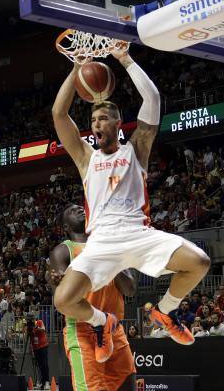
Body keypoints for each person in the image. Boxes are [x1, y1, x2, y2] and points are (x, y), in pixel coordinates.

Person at [52, 41, 210, 353]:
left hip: (138, 233)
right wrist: (75, 69)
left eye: (103, 118)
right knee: (63, 301)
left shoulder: (136, 149)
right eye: (94, 120)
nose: (97, 124)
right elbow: (59, 113)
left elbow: (151, 97)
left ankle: (163, 312)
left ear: (117, 122)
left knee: (199, 262)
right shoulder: (86, 158)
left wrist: (125, 59)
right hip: (102, 241)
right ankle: (104, 323)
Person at [49, 204, 145, 391]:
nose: (79, 208)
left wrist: (112, 257)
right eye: (71, 209)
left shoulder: (112, 244)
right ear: (66, 223)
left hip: (114, 329)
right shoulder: (64, 251)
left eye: (82, 206)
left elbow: (129, 288)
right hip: (83, 330)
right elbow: (65, 291)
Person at [27, 312, 51, 390]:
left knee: (44, 364)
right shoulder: (29, 326)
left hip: (43, 346)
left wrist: (37, 327)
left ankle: (47, 382)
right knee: (39, 365)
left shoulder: (39, 322)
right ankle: (41, 382)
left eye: (31, 319)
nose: (30, 320)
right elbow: (30, 338)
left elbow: (44, 329)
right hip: (35, 348)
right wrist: (31, 349)